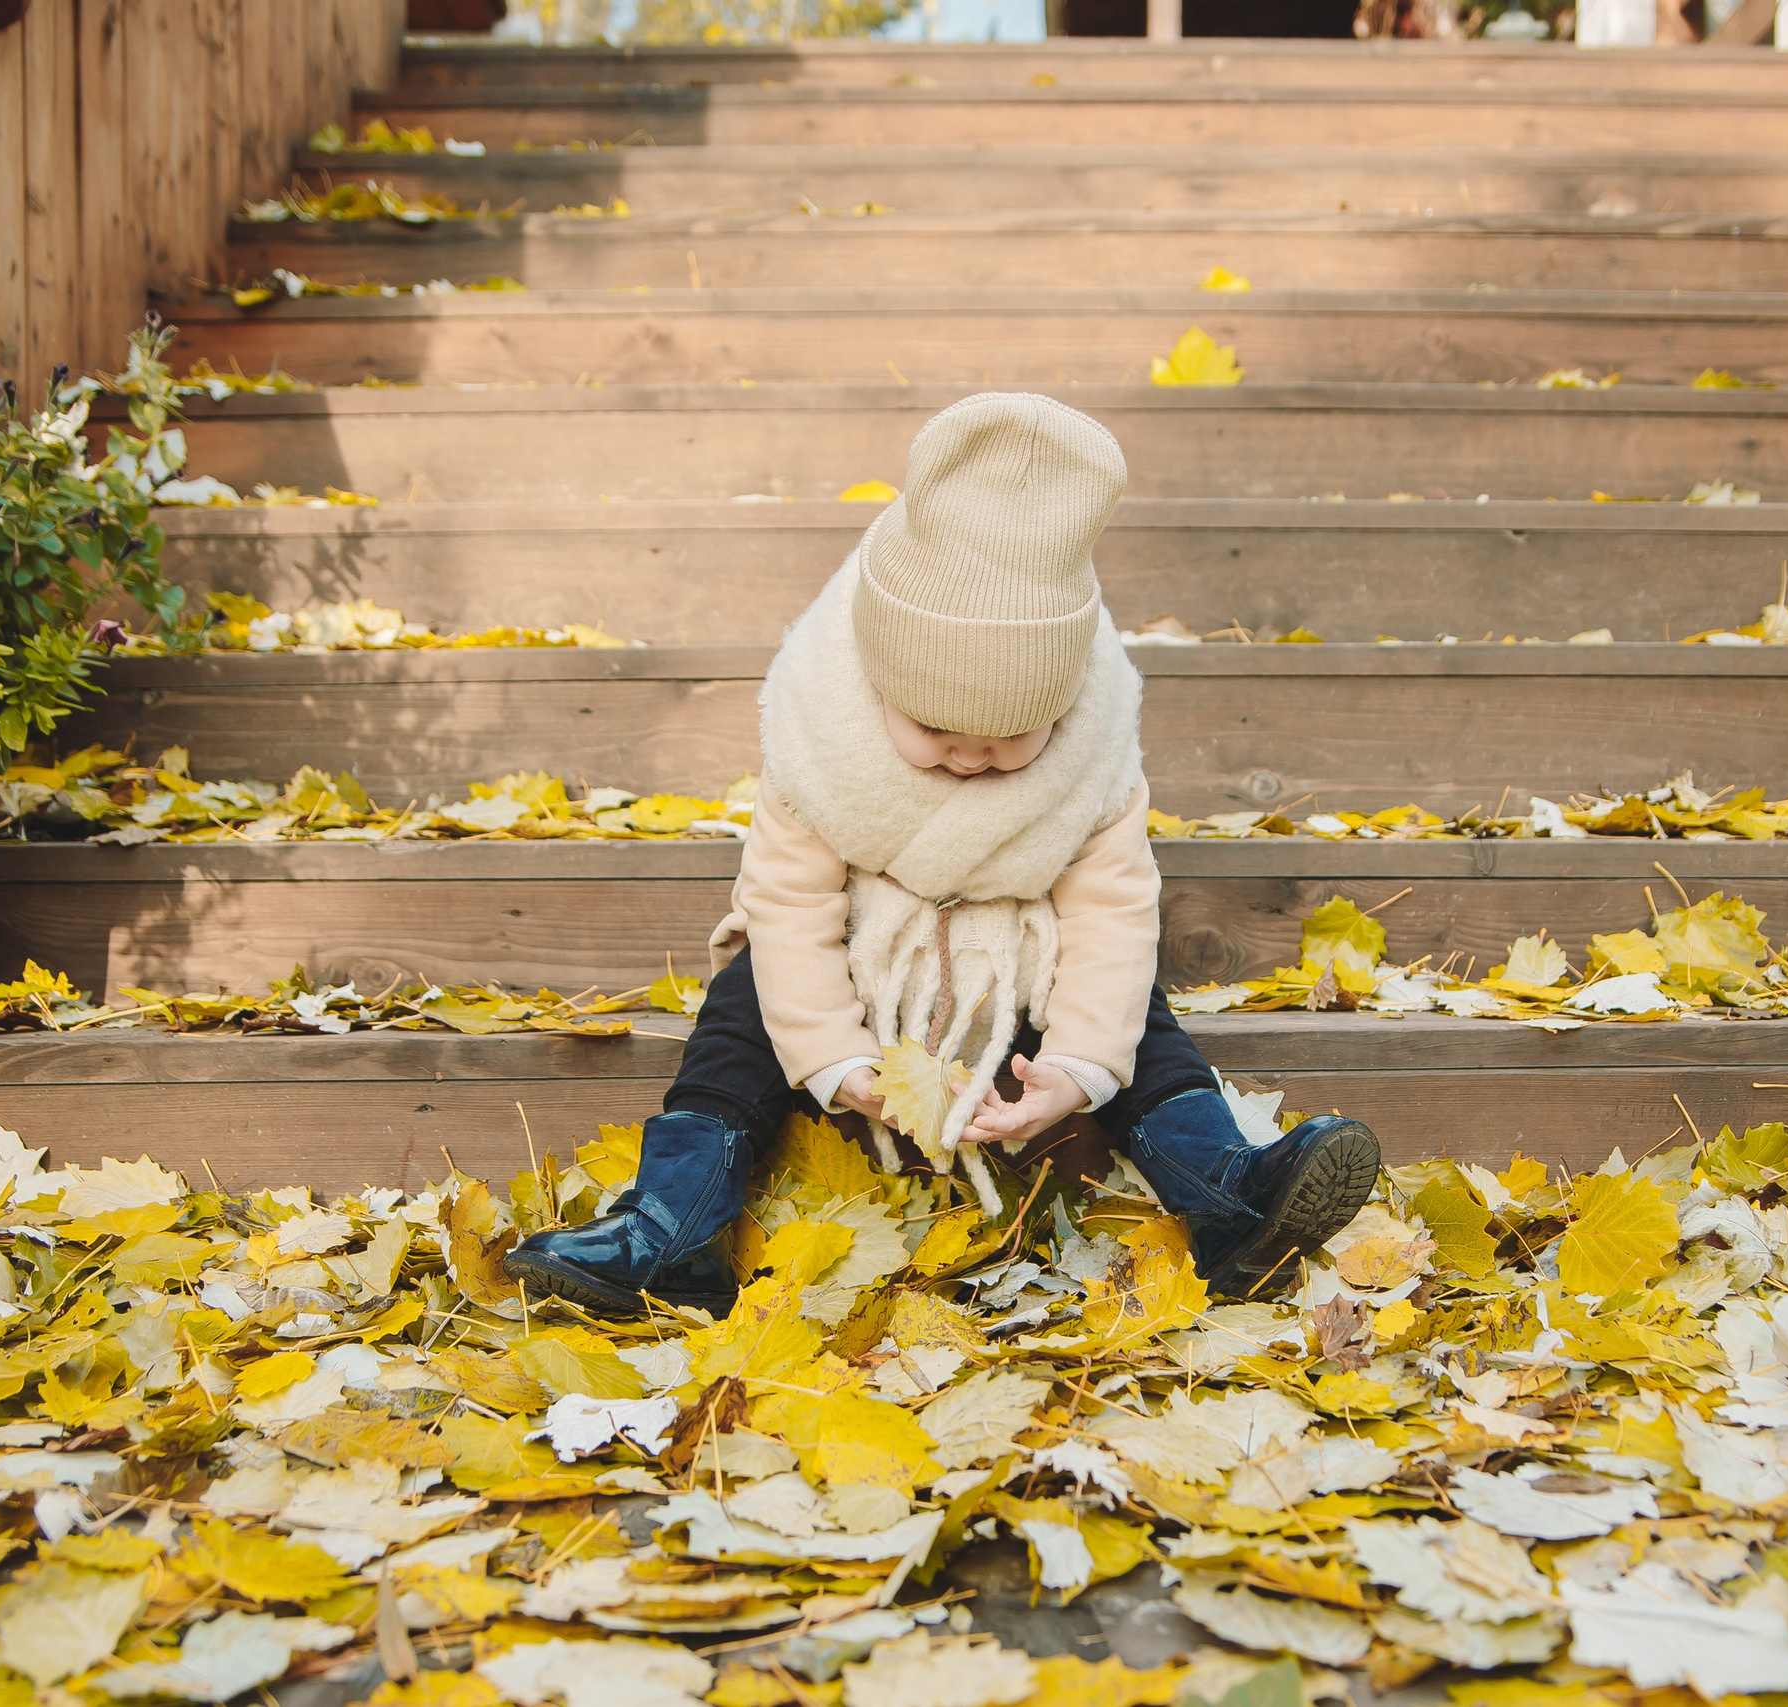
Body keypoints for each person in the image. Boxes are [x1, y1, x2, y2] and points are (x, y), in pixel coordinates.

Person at [505, 393, 1379, 1316]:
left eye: (1010, 738)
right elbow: (790, 903)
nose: (969, 754)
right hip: (860, 981)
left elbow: (1112, 909)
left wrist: (1077, 1068)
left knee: (1134, 1018)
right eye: (932, 726)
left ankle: (1228, 1194)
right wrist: (838, 1060)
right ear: (876, 675)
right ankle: (675, 1222)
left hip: (1015, 981)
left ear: (1063, 705)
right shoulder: (819, 733)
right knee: (743, 1008)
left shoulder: (1093, 759)